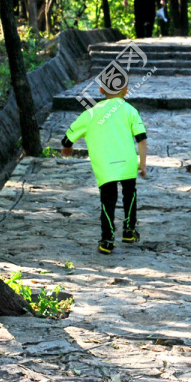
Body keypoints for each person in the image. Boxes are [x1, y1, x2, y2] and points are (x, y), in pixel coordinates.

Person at [61, 75, 148, 254]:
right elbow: (141, 138)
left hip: (105, 167)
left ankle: (107, 240)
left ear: (101, 90)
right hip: (127, 164)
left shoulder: (90, 114)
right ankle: (129, 232)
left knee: (107, 201)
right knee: (129, 195)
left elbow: (68, 137)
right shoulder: (130, 110)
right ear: (126, 90)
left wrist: (67, 148)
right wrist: (143, 164)